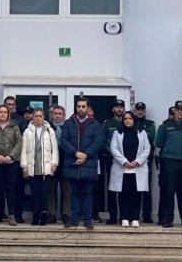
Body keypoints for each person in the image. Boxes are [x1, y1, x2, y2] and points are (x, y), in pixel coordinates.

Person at [61, 97, 104, 229]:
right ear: (76, 108)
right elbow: (63, 140)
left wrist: (84, 155)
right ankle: (74, 219)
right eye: (79, 106)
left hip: (88, 163)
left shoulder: (95, 124)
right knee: (73, 193)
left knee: (88, 193)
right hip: (73, 163)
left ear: (88, 108)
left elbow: (98, 142)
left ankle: (87, 219)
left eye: (83, 106)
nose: (81, 109)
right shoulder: (69, 123)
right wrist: (75, 153)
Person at [155, 100, 182, 229]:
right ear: (174, 111)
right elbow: (158, 142)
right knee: (168, 192)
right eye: (177, 109)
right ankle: (168, 219)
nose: (179, 112)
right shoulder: (166, 125)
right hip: (169, 162)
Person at [109, 111, 151, 227]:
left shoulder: (142, 133)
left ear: (134, 120)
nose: (128, 120)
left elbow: (147, 149)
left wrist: (137, 162)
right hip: (122, 167)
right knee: (123, 193)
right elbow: (114, 148)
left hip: (137, 167)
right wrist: (124, 161)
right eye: (125, 119)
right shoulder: (117, 133)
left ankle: (135, 218)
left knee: (136, 193)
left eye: (130, 118)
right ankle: (124, 217)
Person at [20, 108, 59, 226]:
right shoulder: (27, 131)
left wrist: (54, 163)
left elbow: (54, 149)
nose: (38, 118)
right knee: (35, 193)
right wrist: (24, 165)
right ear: (33, 117)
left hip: (46, 167)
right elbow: (24, 150)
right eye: (36, 116)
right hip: (33, 167)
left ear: (44, 117)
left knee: (44, 193)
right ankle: (35, 216)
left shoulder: (49, 130)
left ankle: (43, 216)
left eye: (40, 116)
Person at [3, 96, 27, 223]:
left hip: (16, 160)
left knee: (18, 189)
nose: (10, 106)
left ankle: (18, 214)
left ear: (15, 106)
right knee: (2, 189)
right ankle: (1, 214)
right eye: (8, 104)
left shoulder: (21, 120)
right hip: (1, 160)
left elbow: (22, 141)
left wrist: (13, 155)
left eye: (12, 104)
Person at [102, 99, 126, 225]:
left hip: (126, 162)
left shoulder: (127, 122)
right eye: (116, 107)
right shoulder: (107, 123)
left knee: (124, 189)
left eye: (121, 107)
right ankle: (112, 216)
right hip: (110, 159)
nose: (119, 109)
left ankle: (123, 216)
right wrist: (114, 153)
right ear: (113, 109)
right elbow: (103, 140)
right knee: (111, 189)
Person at [133, 102, 156, 223]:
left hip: (146, 160)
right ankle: (134, 215)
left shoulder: (150, 124)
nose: (140, 111)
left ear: (145, 111)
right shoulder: (131, 122)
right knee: (133, 189)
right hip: (132, 161)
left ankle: (147, 216)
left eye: (142, 109)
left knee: (146, 189)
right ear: (135, 110)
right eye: (138, 109)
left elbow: (151, 139)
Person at [48, 105, 71, 224]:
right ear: (52, 115)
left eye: (60, 114)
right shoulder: (47, 127)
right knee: (50, 190)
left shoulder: (69, 127)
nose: (57, 116)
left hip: (65, 162)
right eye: (55, 113)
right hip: (51, 162)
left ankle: (66, 213)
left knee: (66, 190)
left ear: (64, 116)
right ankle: (51, 214)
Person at [156, 106, 175, 225]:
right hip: (165, 163)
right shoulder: (163, 126)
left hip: (179, 162)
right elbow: (158, 143)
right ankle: (162, 217)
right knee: (165, 192)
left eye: (174, 113)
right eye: (171, 113)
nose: (173, 115)